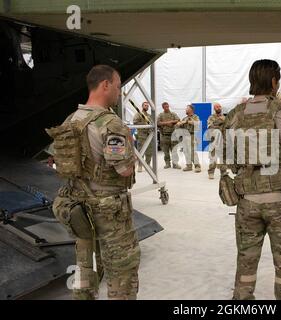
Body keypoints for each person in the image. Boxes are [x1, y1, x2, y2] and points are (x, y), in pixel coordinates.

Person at [221, 59, 281, 300]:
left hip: (246, 201)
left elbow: (227, 157)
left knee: (246, 260)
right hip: (279, 201)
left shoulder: (233, 115)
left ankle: (242, 299)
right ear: (274, 82)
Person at [47, 65, 140, 299]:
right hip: (109, 212)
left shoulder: (70, 120)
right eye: (118, 87)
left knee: (85, 268)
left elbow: (56, 160)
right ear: (105, 85)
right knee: (123, 271)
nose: (119, 92)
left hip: (78, 209)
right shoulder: (111, 123)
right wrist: (131, 145)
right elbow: (124, 170)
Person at [176, 104, 202, 173]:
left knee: (193, 151)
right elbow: (180, 126)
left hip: (192, 135)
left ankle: (197, 166)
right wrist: (179, 124)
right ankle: (189, 165)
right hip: (184, 136)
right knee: (186, 151)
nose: (186, 109)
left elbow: (197, 123)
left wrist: (187, 122)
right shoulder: (184, 118)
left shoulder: (195, 117)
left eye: (187, 108)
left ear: (191, 109)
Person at [157, 102, 181, 169]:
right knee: (166, 151)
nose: (167, 108)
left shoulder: (173, 114)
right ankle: (167, 163)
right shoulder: (161, 115)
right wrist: (167, 123)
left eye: (167, 106)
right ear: (163, 107)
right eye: (165, 107)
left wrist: (171, 122)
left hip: (173, 135)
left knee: (174, 150)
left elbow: (178, 120)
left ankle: (175, 163)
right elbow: (157, 123)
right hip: (164, 136)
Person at [207, 102, 226, 179]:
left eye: (220, 106)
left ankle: (223, 172)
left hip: (222, 140)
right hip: (214, 140)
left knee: (223, 157)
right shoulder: (211, 117)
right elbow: (211, 126)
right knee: (213, 157)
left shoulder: (225, 117)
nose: (219, 108)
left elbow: (227, 126)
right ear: (214, 109)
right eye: (217, 107)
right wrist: (220, 121)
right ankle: (211, 172)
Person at [133, 101, 154, 172]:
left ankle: (147, 164)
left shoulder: (149, 115)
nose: (147, 107)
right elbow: (135, 122)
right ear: (142, 106)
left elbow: (152, 124)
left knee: (149, 151)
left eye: (147, 106)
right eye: (145, 105)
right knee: (141, 151)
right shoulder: (138, 114)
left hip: (149, 135)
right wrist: (144, 123)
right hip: (142, 135)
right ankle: (140, 165)